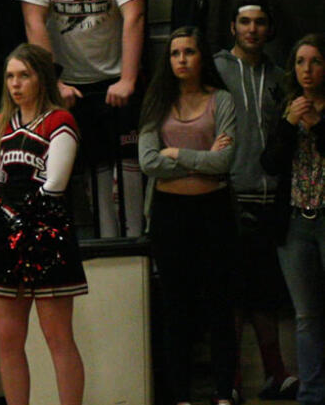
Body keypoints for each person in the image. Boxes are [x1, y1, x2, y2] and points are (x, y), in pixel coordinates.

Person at [16, 0, 148, 238]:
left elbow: (134, 16)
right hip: (67, 77)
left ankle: (134, 239)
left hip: (115, 73)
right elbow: (34, 21)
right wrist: (53, 82)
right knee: (91, 164)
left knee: (130, 158)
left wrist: (128, 79)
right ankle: (103, 238)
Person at [0, 43, 87, 405]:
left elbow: (55, 184)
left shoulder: (61, 122)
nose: (15, 84)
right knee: (8, 340)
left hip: (47, 233)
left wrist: (22, 221)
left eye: (24, 75)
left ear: (42, 78)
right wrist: (10, 223)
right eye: (10, 76)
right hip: (7, 237)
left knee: (58, 338)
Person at [138, 26, 237, 405]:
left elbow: (225, 161)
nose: (182, 59)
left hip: (213, 213)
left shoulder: (222, 100)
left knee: (219, 306)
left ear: (202, 57)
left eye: (189, 52)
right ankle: (179, 395)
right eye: (175, 53)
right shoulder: (156, 101)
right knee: (176, 308)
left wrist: (177, 154)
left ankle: (224, 392)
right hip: (169, 215)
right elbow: (148, 162)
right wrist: (203, 160)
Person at [214, 1, 299, 402]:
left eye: (260, 22)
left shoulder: (283, 76)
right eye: (245, 22)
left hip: (271, 196)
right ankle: (228, 380)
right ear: (233, 26)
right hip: (226, 193)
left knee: (266, 293)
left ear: (269, 29)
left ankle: (275, 372)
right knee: (231, 294)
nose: (252, 29)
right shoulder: (214, 69)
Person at [260, 35, 325, 405]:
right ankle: (313, 393)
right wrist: (288, 125)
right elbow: (268, 164)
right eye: (301, 62)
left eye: (315, 62)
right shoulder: (287, 107)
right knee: (305, 315)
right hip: (296, 221)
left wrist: (316, 125)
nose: (307, 70)